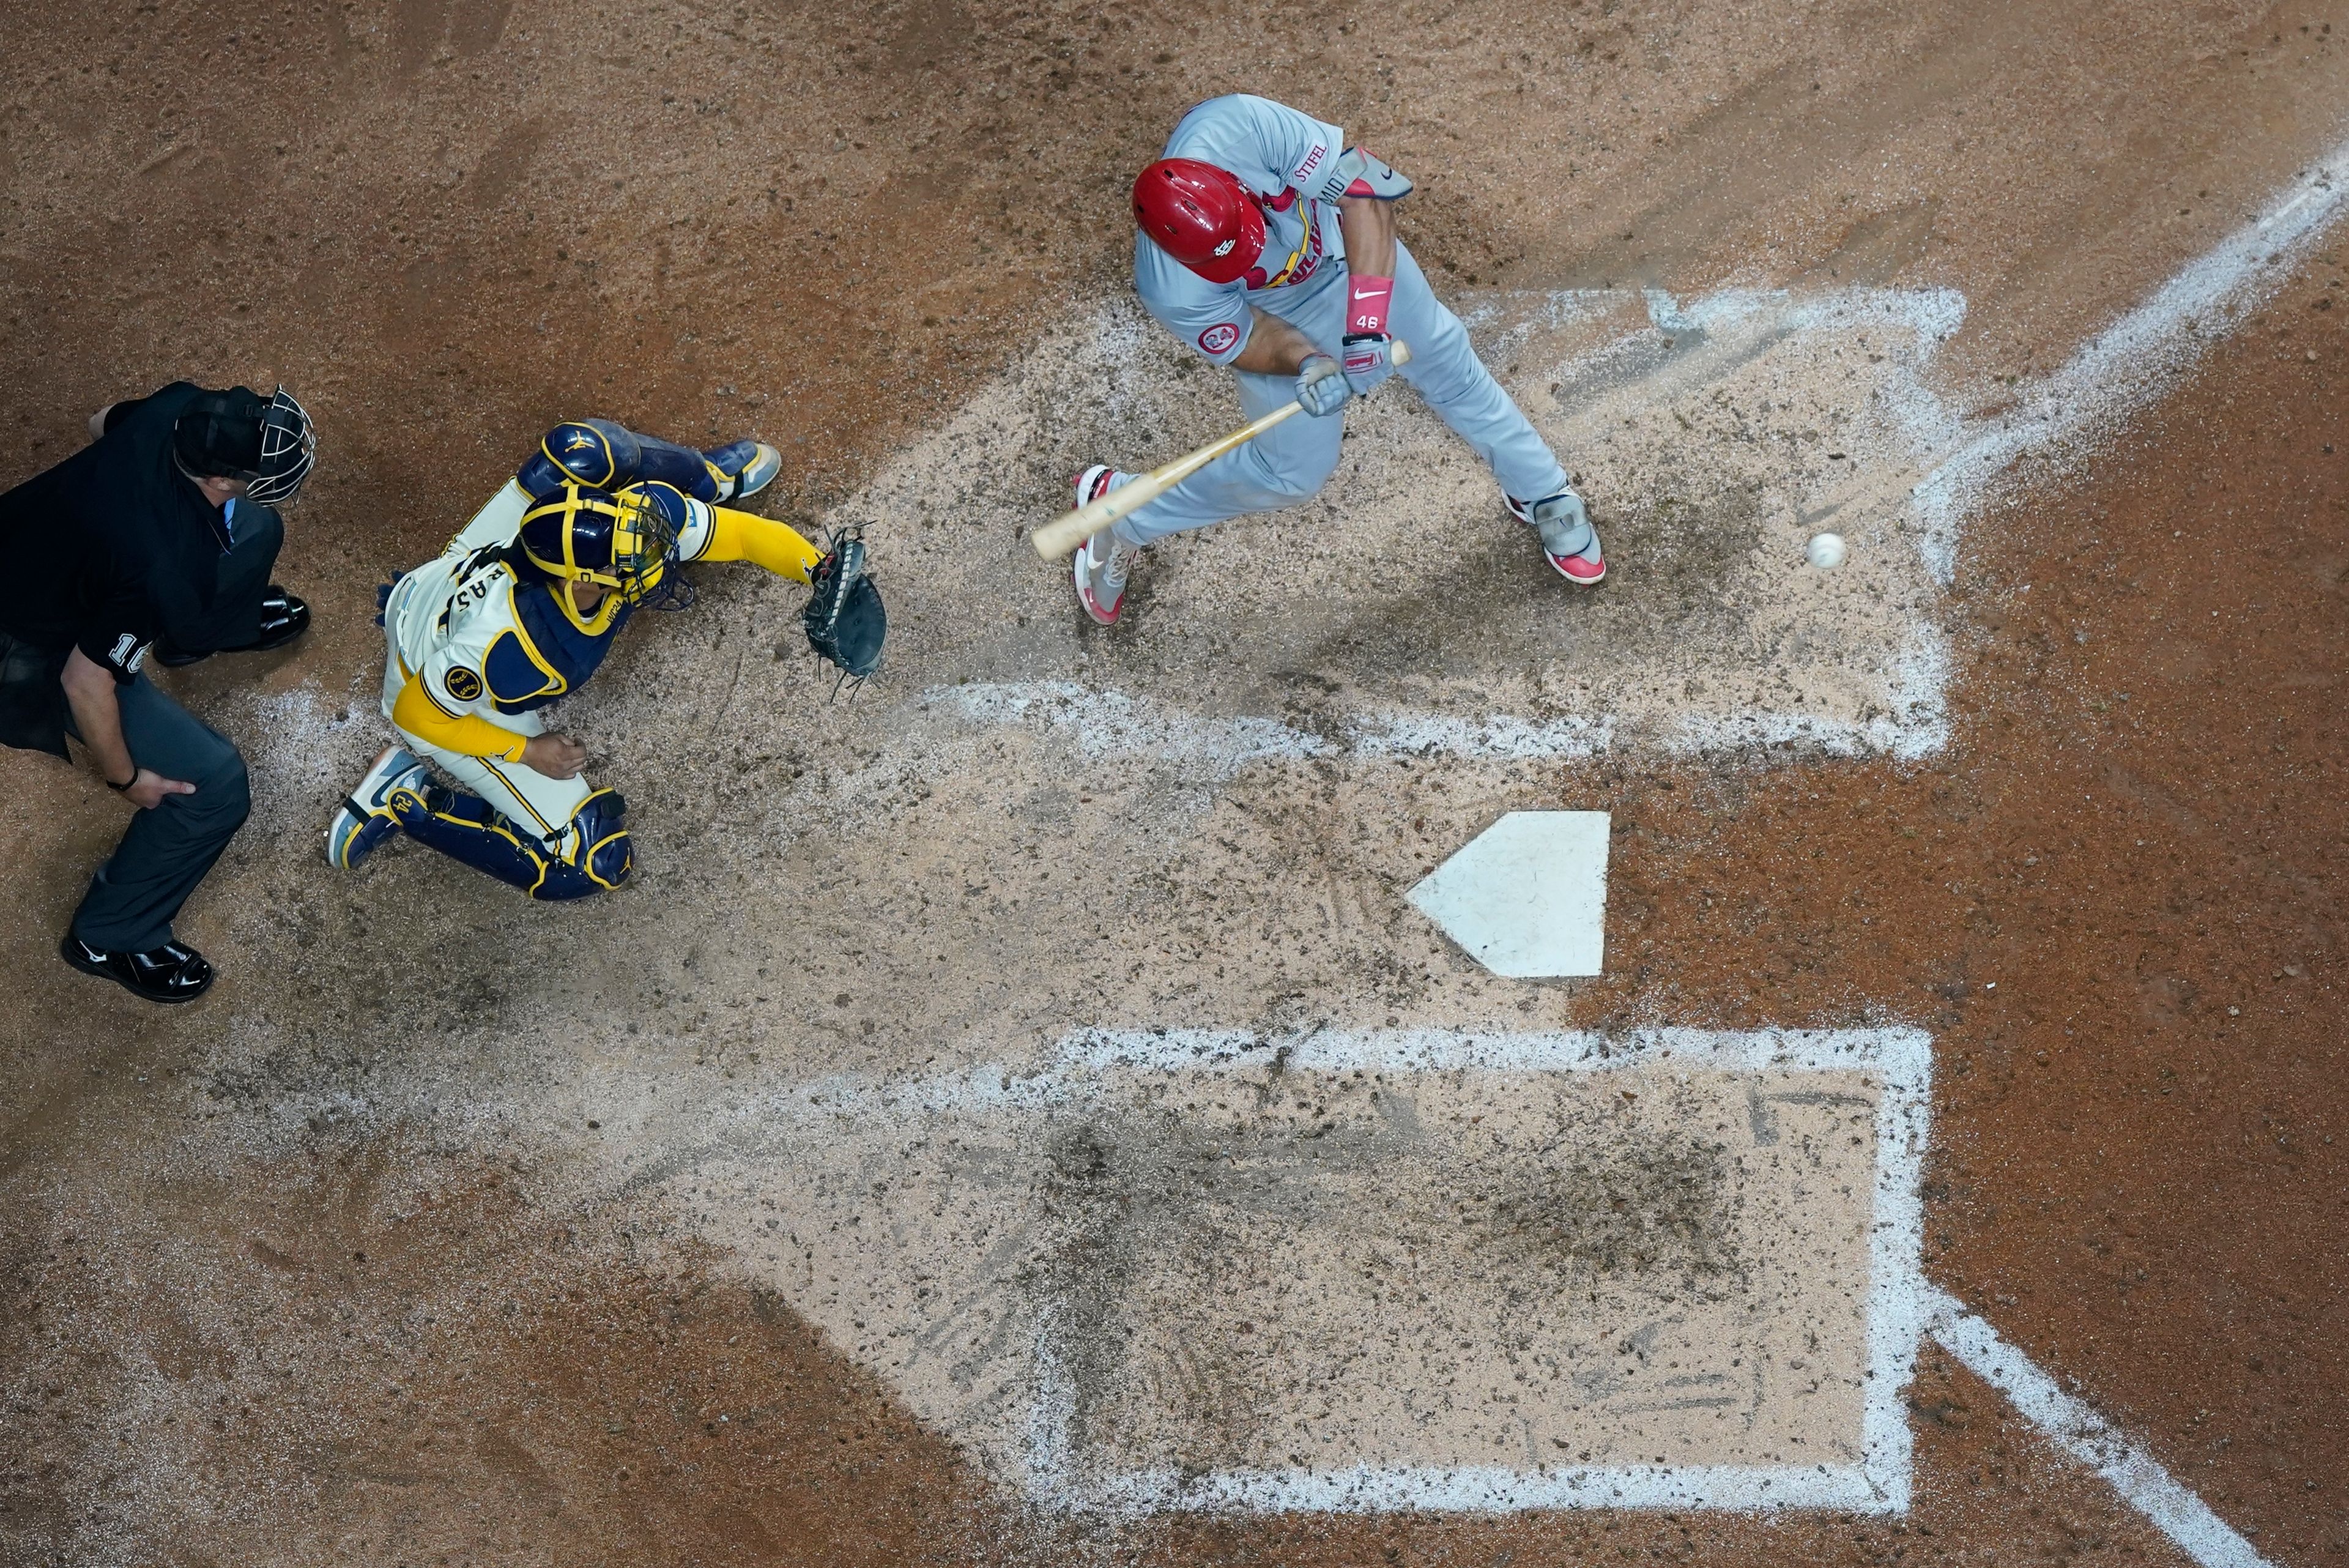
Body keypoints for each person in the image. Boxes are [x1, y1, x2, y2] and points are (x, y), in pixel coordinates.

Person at [1071, 94, 1604, 625]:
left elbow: (1364, 196)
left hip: (1351, 248)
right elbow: (1249, 338)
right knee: (1290, 475)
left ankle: (1541, 490)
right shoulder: (1170, 289)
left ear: (1232, 185)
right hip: (1274, 311)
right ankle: (1121, 511)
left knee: (1444, 359)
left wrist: (1365, 328)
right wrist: (1307, 362)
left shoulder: (1244, 126)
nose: (1253, 251)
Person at [324, 419, 883, 898]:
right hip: (425, 670)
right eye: (636, 562)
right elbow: (419, 714)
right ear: (582, 577)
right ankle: (403, 798)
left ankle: (711, 478)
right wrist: (527, 750)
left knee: (582, 450)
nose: (659, 562)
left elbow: (740, 537)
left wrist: (818, 568)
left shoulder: (632, 520)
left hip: (461, 574)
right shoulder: (513, 647)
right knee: (592, 861)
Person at [0, 382, 315, 1002]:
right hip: (29, 648)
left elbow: (100, 420)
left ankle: (205, 633)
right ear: (220, 479)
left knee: (255, 530)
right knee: (214, 786)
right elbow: (85, 682)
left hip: (31, 551)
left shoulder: (180, 409)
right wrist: (126, 778)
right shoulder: (160, 562)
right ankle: (111, 933)